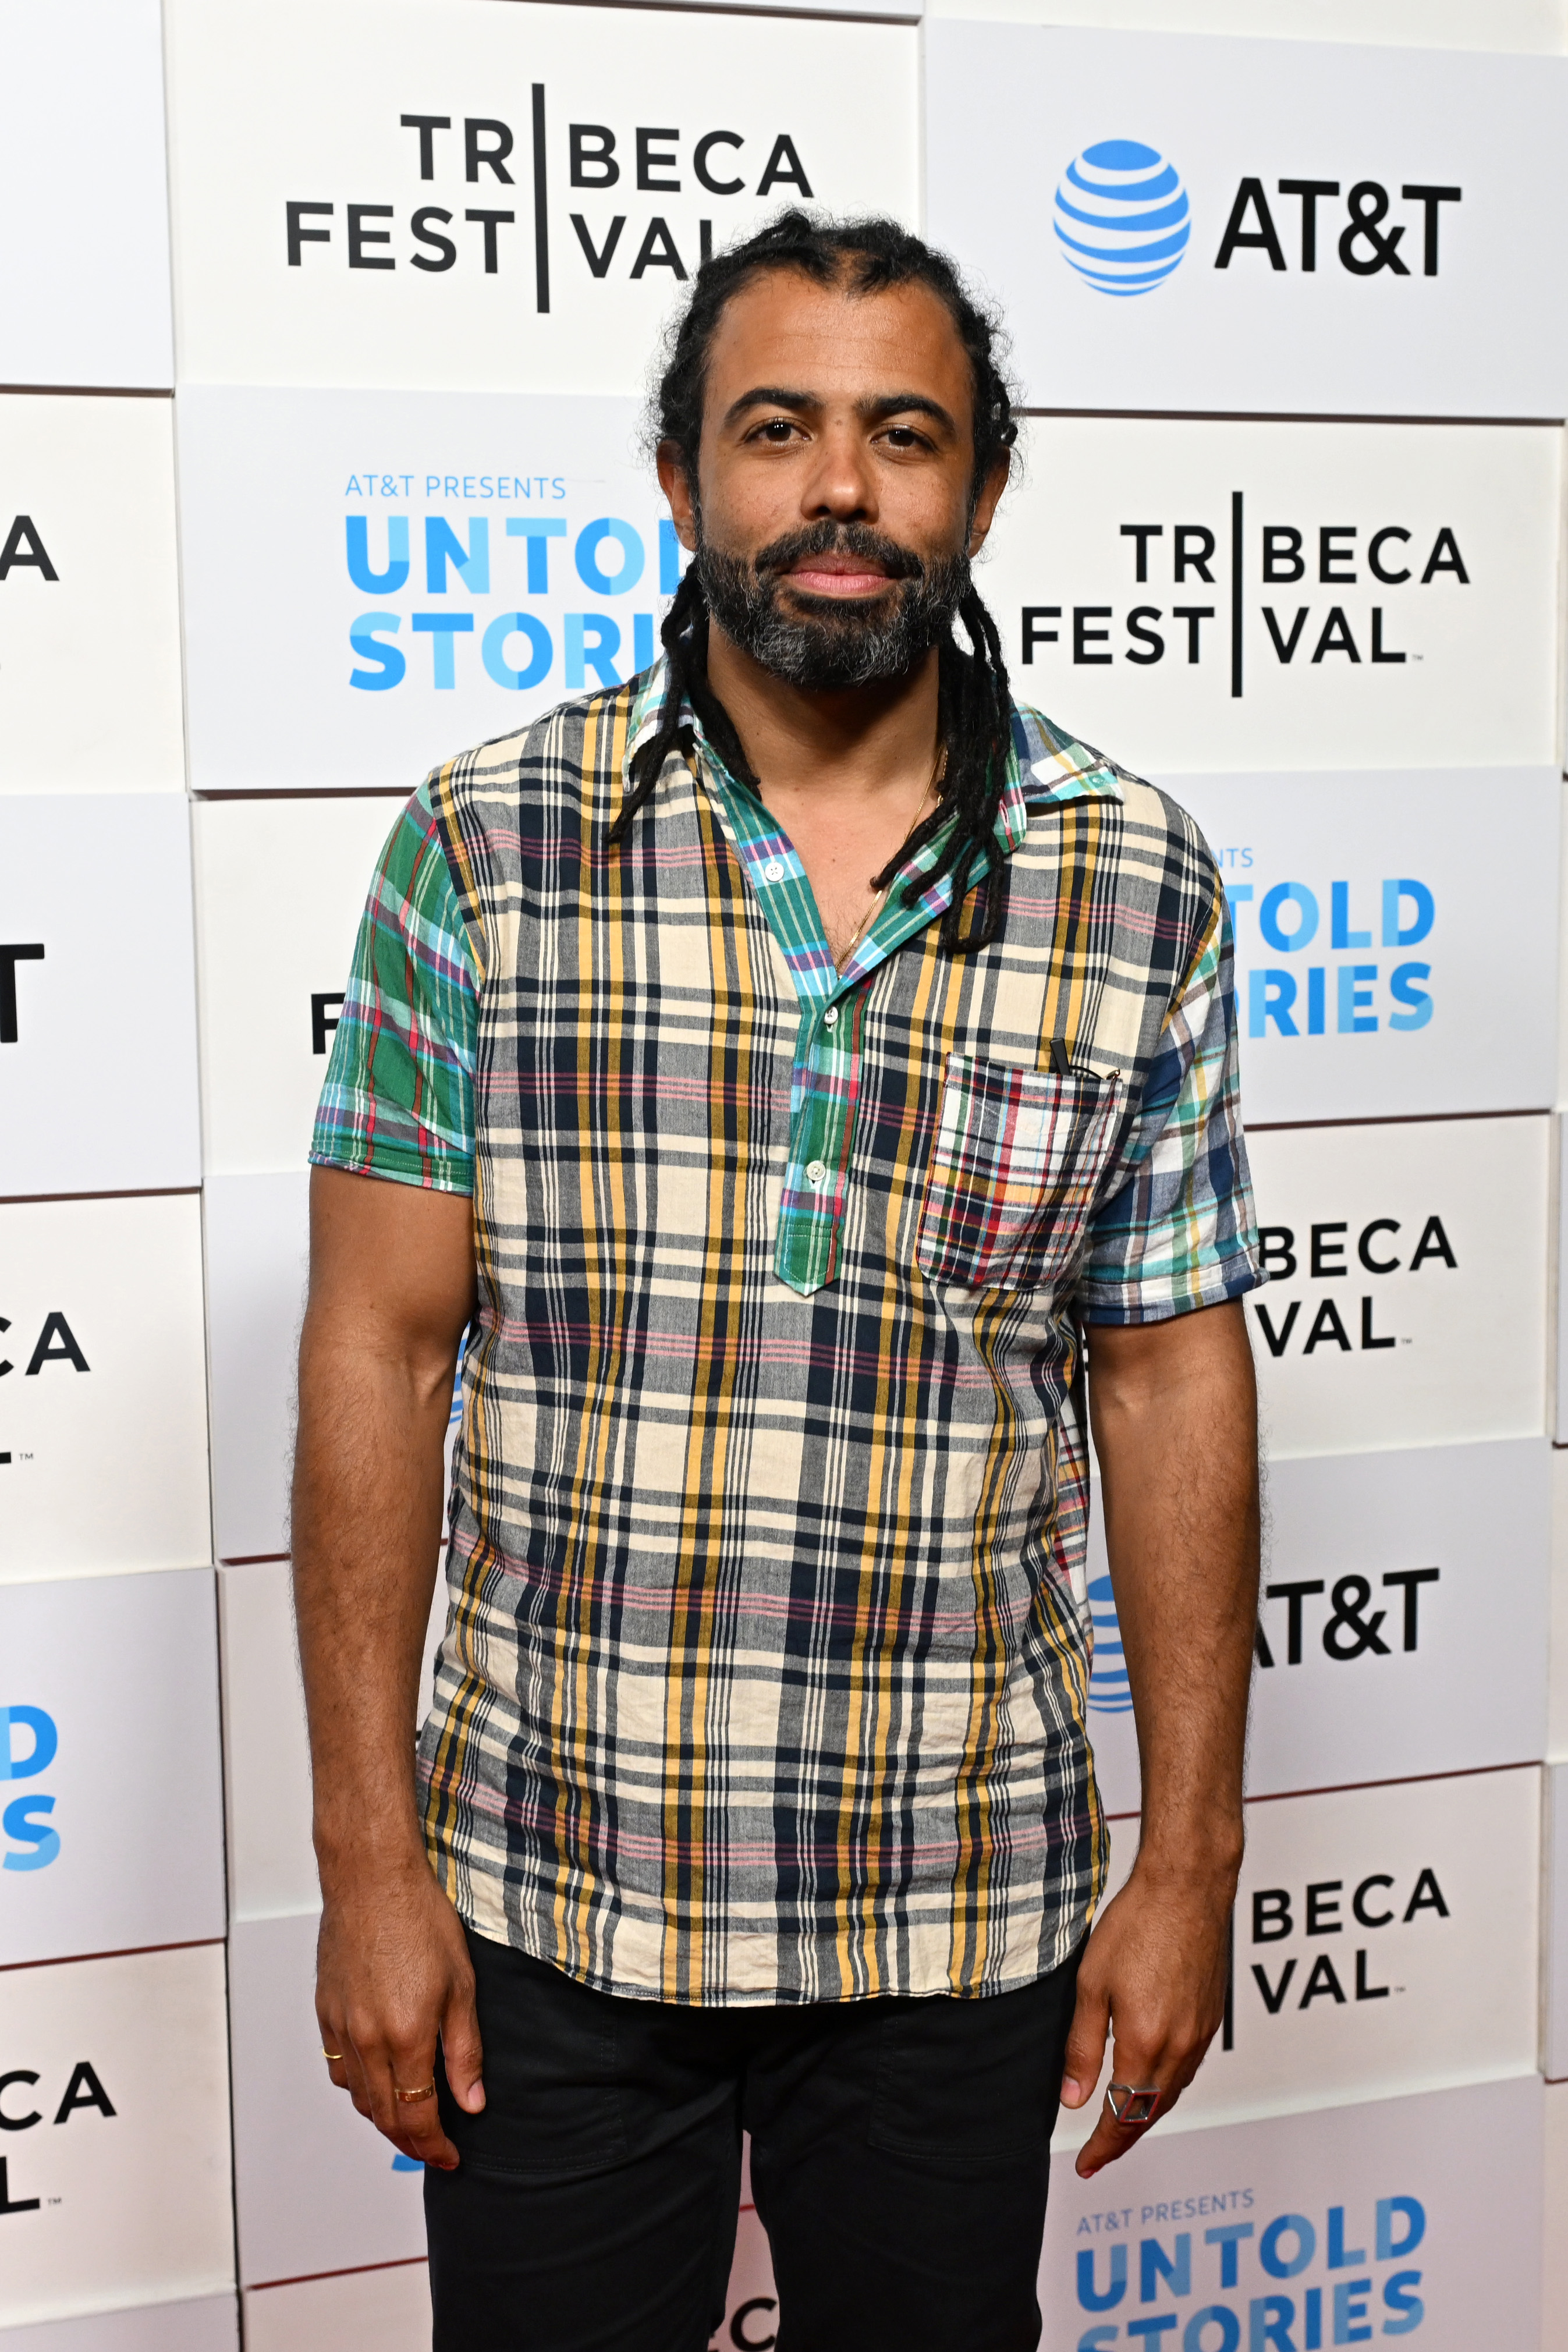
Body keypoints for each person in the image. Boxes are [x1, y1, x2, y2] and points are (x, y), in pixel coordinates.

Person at [293, 211, 1264, 2352]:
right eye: (778, 430)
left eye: (904, 435)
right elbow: (376, 1347)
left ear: (981, 491)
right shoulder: (485, 844)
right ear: (681, 477)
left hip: (955, 1905)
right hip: (549, 1899)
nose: (841, 488)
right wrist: (367, 1861)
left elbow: (1174, 1378)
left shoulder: (1132, 876)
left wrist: (1189, 1855)